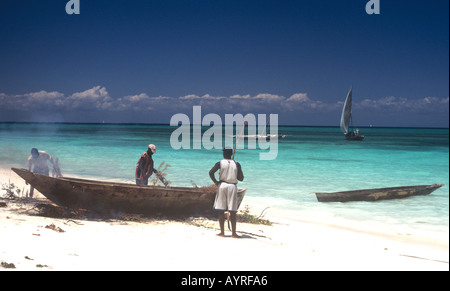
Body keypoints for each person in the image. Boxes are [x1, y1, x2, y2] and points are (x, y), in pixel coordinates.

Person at [209, 147, 244, 238]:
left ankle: (222, 233)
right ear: (231, 154)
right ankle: (234, 233)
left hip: (222, 185)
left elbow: (211, 172)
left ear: (224, 154)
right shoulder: (237, 164)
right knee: (232, 211)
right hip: (232, 186)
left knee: (221, 210)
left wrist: (216, 182)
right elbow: (241, 178)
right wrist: (234, 172)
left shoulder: (220, 163)